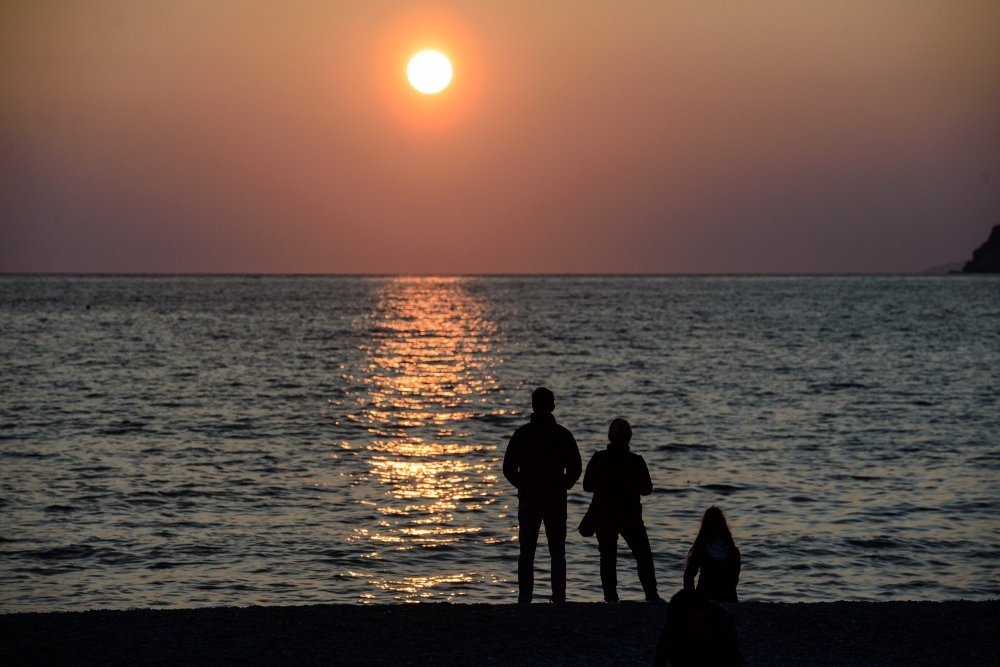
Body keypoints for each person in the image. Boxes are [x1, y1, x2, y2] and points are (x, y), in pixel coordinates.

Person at [503, 387, 582, 604]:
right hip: (554, 499)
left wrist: (523, 485)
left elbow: (508, 468)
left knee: (527, 551)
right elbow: (575, 468)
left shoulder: (522, 434)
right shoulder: (563, 435)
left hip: (530, 499)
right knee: (557, 552)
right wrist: (563, 485)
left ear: (533, 406)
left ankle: (524, 598)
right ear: (553, 407)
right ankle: (559, 598)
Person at [581, 418, 660, 603]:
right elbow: (647, 489)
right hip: (630, 515)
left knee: (608, 556)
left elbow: (587, 486)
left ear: (610, 436)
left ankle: (610, 597)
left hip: (604, 513)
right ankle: (651, 595)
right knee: (643, 555)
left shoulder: (599, 458)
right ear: (629, 438)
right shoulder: (636, 461)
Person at [653, 588, 744, 666]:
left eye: (696, 621)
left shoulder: (722, 619)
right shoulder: (676, 616)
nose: (693, 625)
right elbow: (662, 650)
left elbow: (730, 654)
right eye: (690, 621)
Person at [683, 505, 741, 602]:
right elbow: (734, 580)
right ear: (723, 525)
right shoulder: (733, 551)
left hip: (704, 596)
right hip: (729, 597)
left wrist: (691, 599)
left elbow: (689, 576)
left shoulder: (700, 549)